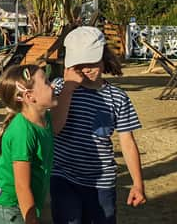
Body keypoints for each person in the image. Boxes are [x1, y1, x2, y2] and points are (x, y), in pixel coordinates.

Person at [50, 26, 145, 224]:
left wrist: (137, 183)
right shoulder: (59, 87)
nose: (85, 69)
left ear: (103, 58)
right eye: (78, 65)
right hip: (63, 176)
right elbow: (54, 129)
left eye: (91, 63)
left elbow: (127, 142)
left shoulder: (118, 98)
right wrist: (67, 89)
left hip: (102, 183)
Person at [0, 64, 56, 224]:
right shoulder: (22, 132)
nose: (53, 85)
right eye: (46, 82)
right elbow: (22, 186)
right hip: (8, 205)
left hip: (23, 201)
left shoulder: (45, 118)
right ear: (30, 97)